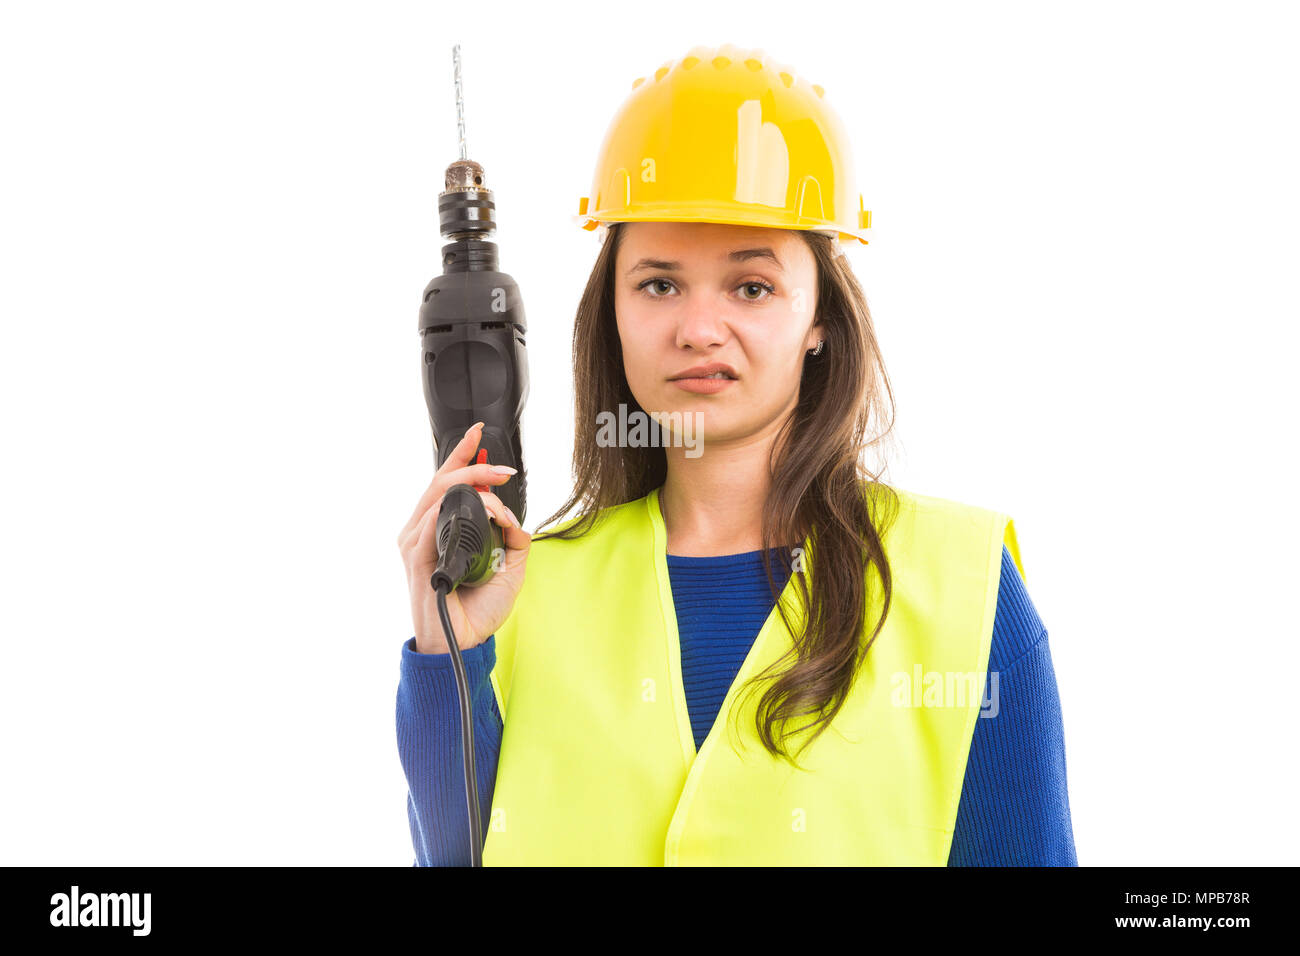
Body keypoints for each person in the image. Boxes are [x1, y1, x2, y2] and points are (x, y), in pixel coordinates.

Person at [395, 44, 1077, 866]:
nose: (698, 328)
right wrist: (450, 653)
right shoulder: (519, 595)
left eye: (751, 286)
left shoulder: (964, 593)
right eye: (658, 283)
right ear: (609, 308)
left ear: (819, 314)